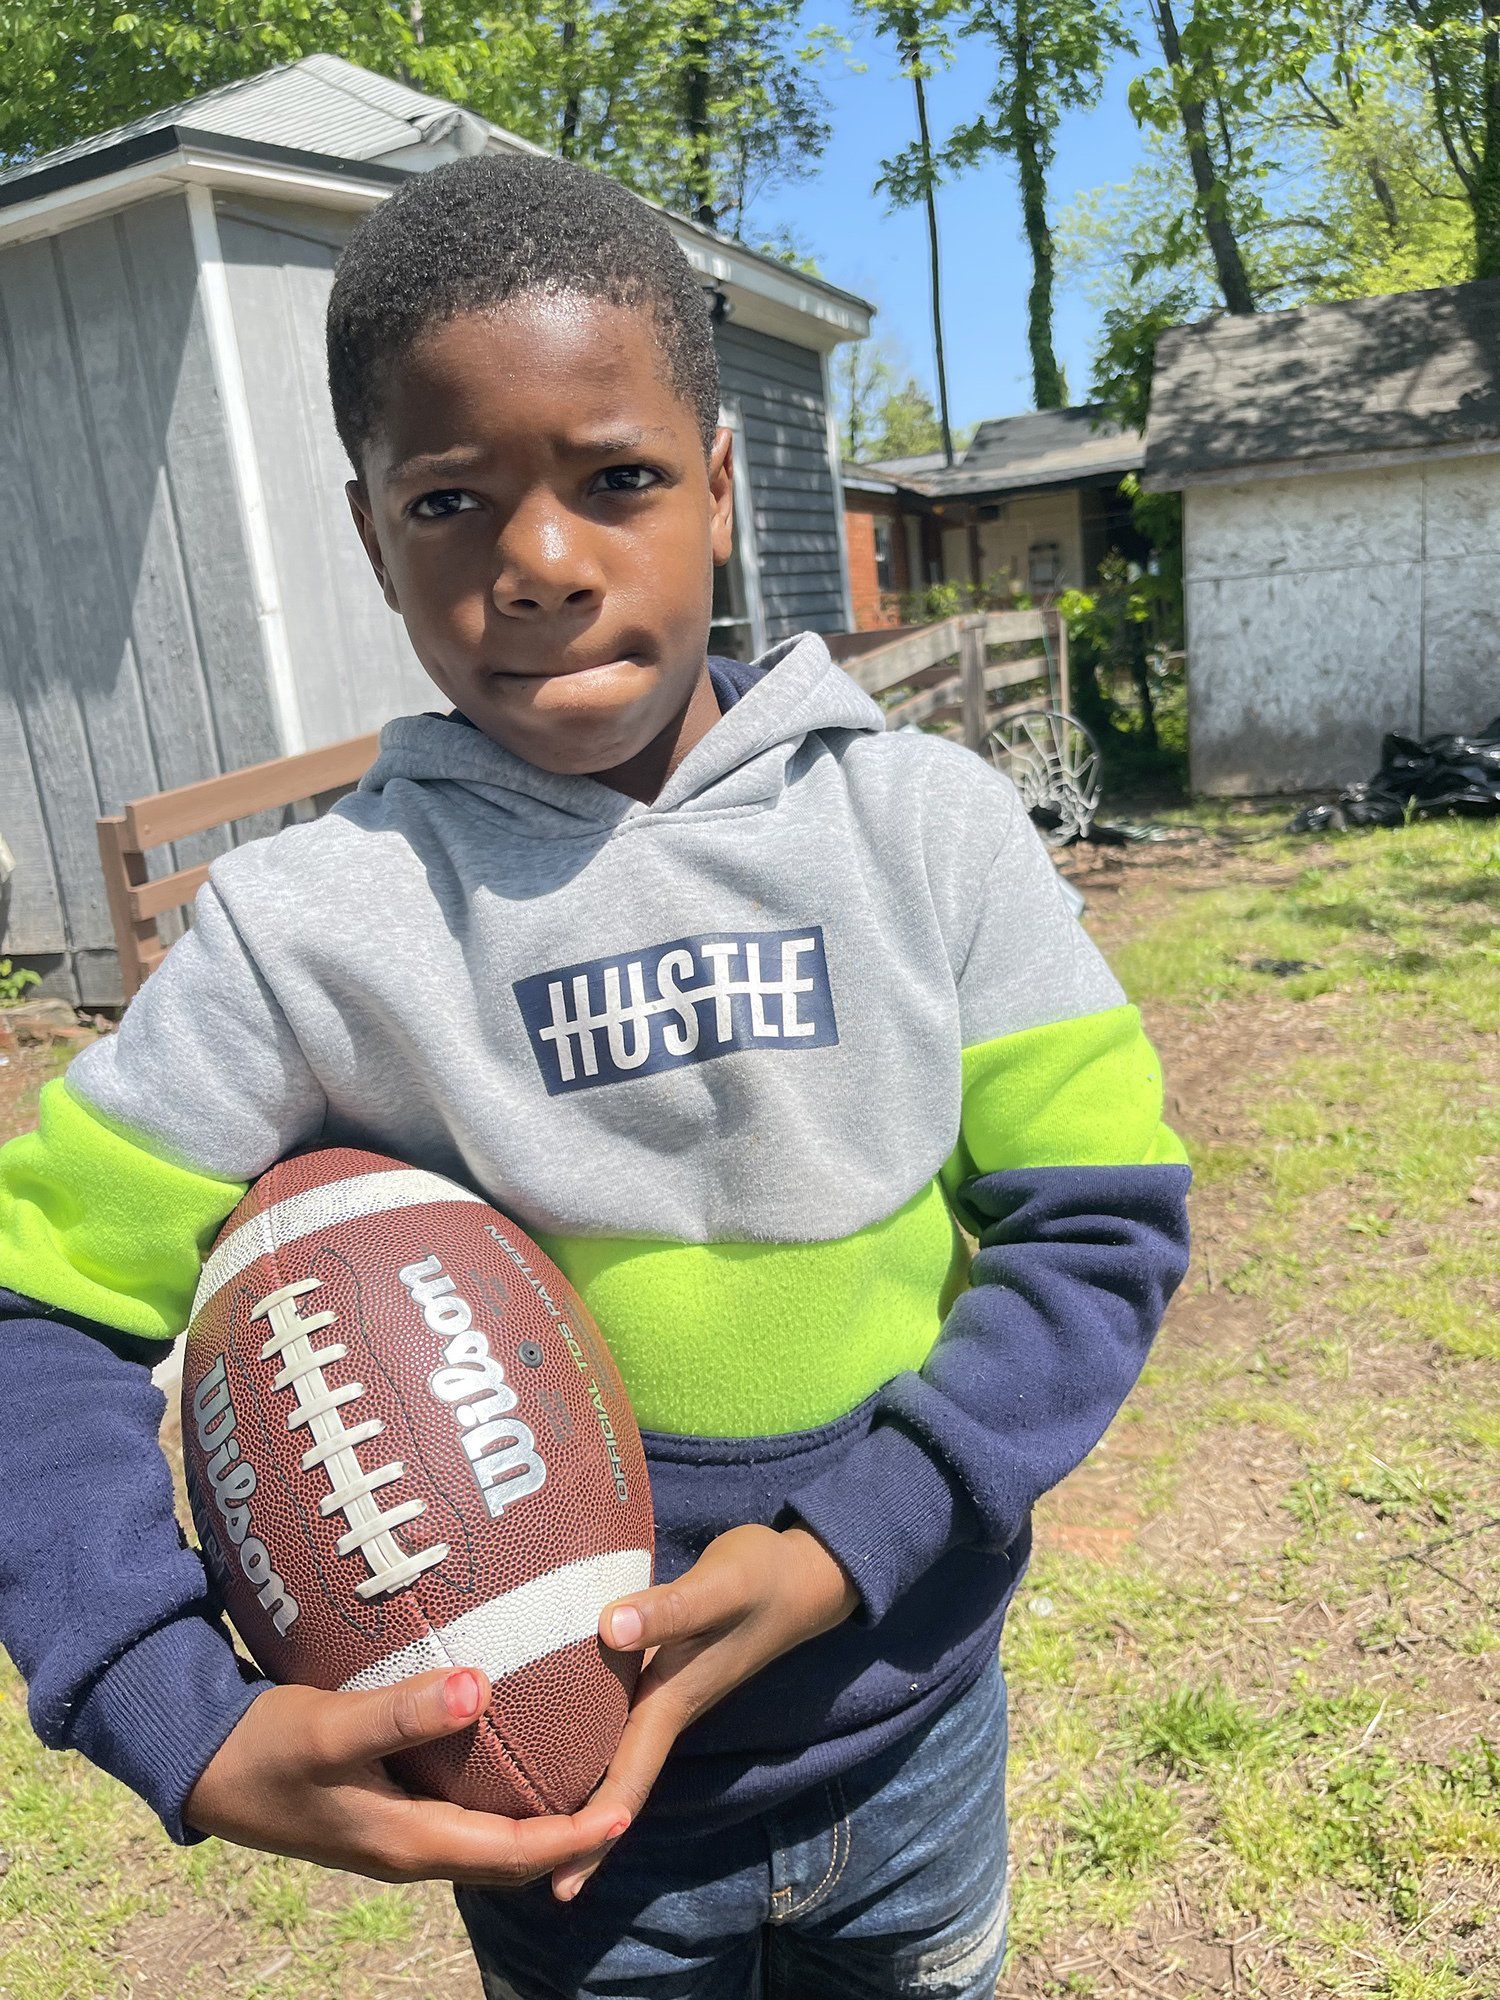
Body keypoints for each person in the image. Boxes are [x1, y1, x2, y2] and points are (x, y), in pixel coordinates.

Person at [0, 152, 1190, 2000]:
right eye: (450, 501)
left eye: (616, 480)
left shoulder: (927, 830)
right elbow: (33, 1313)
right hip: (564, 1838)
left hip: (917, 1731)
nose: (541, 565)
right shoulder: (310, 933)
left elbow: (1101, 1227)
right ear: (372, 535)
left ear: (716, 488)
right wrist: (170, 1703)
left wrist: (854, 1543)